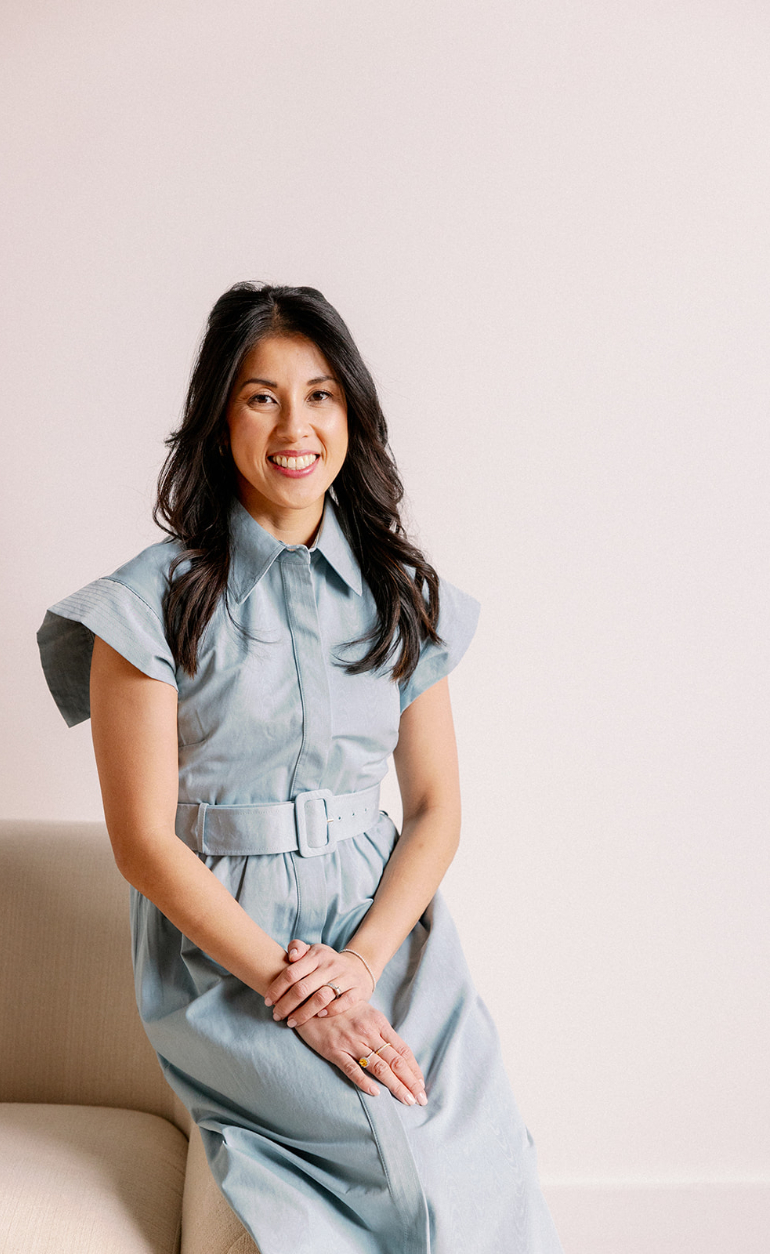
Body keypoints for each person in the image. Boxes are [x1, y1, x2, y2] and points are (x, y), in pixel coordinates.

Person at [37, 281, 565, 1254]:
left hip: (390, 941)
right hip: (231, 957)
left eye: (320, 394)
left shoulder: (400, 593)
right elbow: (144, 844)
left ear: (351, 413)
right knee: (385, 1155)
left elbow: (437, 810)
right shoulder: (144, 604)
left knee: (478, 1158)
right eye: (260, 395)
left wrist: (358, 968)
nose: (295, 423)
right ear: (218, 417)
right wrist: (296, 992)